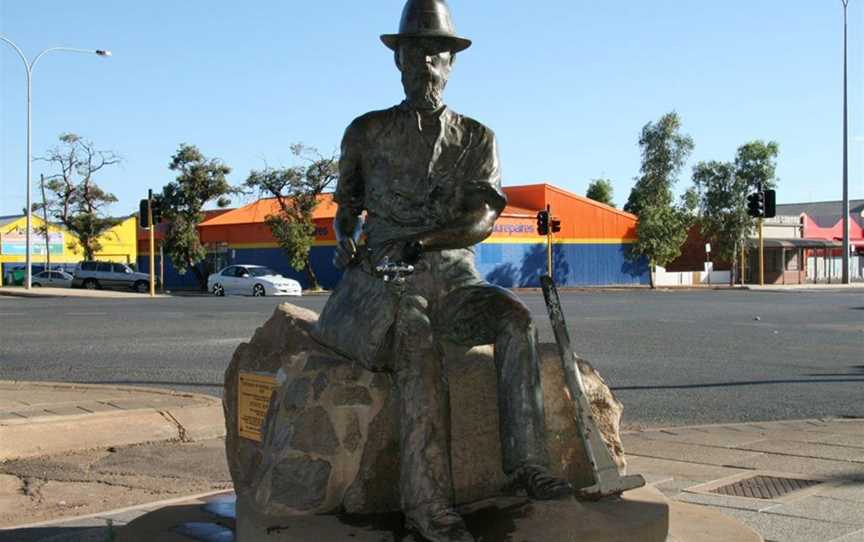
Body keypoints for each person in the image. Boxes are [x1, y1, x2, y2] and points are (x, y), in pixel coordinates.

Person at [314, 1, 572, 540]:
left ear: (451, 64)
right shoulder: (365, 132)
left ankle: (527, 461)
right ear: (398, 62)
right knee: (416, 340)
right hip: (389, 278)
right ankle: (428, 505)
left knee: (515, 321)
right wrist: (345, 242)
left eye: (435, 56)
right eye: (414, 56)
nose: (424, 67)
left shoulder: (478, 137)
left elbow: (480, 218)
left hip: (455, 276)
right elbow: (345, 212)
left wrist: (423, 240)